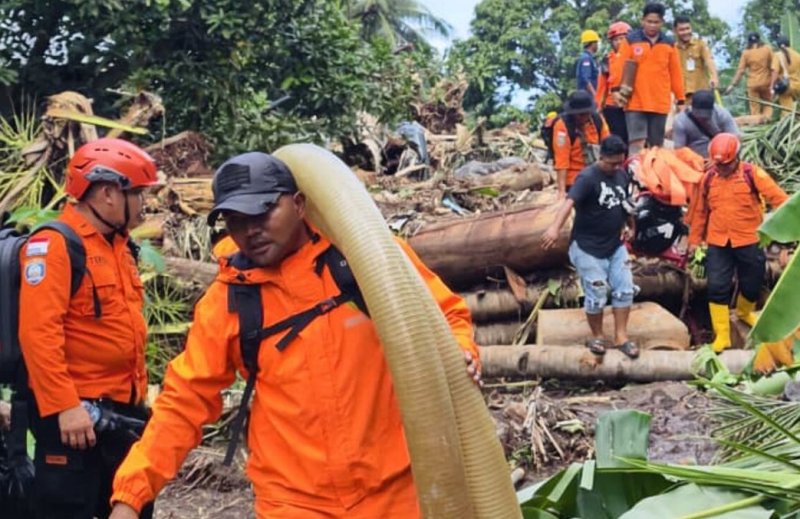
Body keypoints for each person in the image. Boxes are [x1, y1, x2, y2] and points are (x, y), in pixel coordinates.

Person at [107, 152, 483, 519]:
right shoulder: (228, 302)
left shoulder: (365, 260)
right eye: (236, 220)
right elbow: (183, 403)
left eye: (262, 212)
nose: (251, 231)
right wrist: (131, 496)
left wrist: (461, 351)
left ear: (299, 204)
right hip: (293, 500)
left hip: (398, 487)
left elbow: (446, 314)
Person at [17, 138, 159, 519]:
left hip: (123, 415)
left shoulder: (120, 247)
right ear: (108, 193)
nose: (143, 204)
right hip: (75, 421)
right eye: (137, 193)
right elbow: (38, 335)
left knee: (131, 506)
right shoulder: (55, 245)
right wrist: (65, 407)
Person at [687, 133, 788, 353]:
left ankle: (744, 312)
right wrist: (694, 240)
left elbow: (780, 200)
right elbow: (700, 212)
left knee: (752, 283)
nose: (721, 169)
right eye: (718, 165)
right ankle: (722, 335)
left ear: (736, 159)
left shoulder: (753, 174)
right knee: (717, 286)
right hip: (718, 241)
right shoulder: (708, 179)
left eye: (725, 164)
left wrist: (786, 235)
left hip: (750, 238)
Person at [542, 135, 639, 359]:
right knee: (597, 291)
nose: (616, 167)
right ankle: (597, 336)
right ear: (601, 157)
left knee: (625, 288)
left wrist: (631, 226)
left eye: (619, 163)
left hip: (614, 245)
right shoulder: (587, 177)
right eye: (612, 163)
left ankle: (621, 337)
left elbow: (626, 204)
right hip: (587, 247)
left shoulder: (621, 175)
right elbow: (569, 203)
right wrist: (554, 229)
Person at [617, 2, 686, 155]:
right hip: (635, 102)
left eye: (656, 22)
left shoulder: (669, 44)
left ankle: (655, 171)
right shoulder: (630, 40)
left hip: (659, 102)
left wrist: (680, 99)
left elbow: (675, 73)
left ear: (662, 22)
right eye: (649, 21)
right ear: (642, 20)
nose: (652, 25)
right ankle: (635, 171)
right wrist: (616, 90)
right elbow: (620, 67)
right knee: (636, 144)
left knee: (656, 146)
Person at [553, 90, 610, 199]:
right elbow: (561, 161)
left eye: (586, 114)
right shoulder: (562, 126)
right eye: (580, 114)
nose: (583, 117)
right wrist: (561, 191)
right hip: (574, 179)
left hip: (597, 174)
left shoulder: (598, 121)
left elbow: (608, 146)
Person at [672, 89, 739, 158]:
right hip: (694, 158)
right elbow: (679, 150)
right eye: (698, 115)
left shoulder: (722, 114)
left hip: (720, 156)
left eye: (705, 116)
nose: (702, 118)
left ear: (713, 108)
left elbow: (735, 138)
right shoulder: (681, 121)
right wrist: (695, 160)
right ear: (692, 107)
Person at [596, 21, 632, 143]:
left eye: (622, 38)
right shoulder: (607, 60)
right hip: (613, 105)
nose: (619, 42)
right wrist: (598, 106)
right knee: (618, 139)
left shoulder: (636, 56)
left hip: (633, 104)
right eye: (616, 39)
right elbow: (602, 86)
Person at [673, 15, 719, 104]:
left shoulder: (700, 45)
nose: (685, 32)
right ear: (675, 31)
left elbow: (709, 60)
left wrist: (714, 77)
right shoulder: (672, 49)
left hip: (701, 94)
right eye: (682, 30)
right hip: (681, 97)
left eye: (687, 28)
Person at [726, 33, 774, 119]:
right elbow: (774, 65)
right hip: (766, 82)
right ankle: (767, 119)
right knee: (768, 103)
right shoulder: (767, 49)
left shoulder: (746, 53)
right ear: (759, 39)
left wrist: (732, 85)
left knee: (754, 107)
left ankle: (756, 122)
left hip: (752, 84)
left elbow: (741, 70)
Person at [771, 35, 800, 117]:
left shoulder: (778, 55)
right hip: (798, 86)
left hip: (786, 87)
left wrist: (771, 87)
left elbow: (775, 72)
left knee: (787, 113)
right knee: (796, 110)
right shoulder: (797, 55)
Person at [577, 29, 601, 96]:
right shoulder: (586, 58)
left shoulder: (592, 58)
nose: (598, 45)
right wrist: (595, 95)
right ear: (592, 44)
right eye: (596, 42)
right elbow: (586, 79)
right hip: (587, 97)